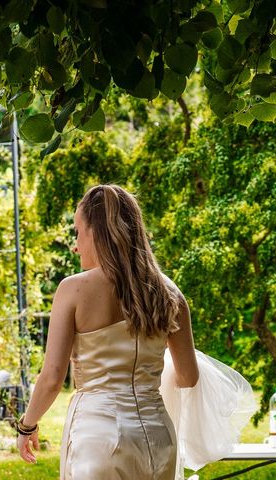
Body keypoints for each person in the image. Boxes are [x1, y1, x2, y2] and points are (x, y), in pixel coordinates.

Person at [15, 184, 256, 479]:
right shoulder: (170, 294)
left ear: (98, 232)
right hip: (158, 437)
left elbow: (53, 377)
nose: (75, 245)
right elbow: (189, 377)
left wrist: (27, 425)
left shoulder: (73, 289)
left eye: (78, 232)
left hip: (98, 438)